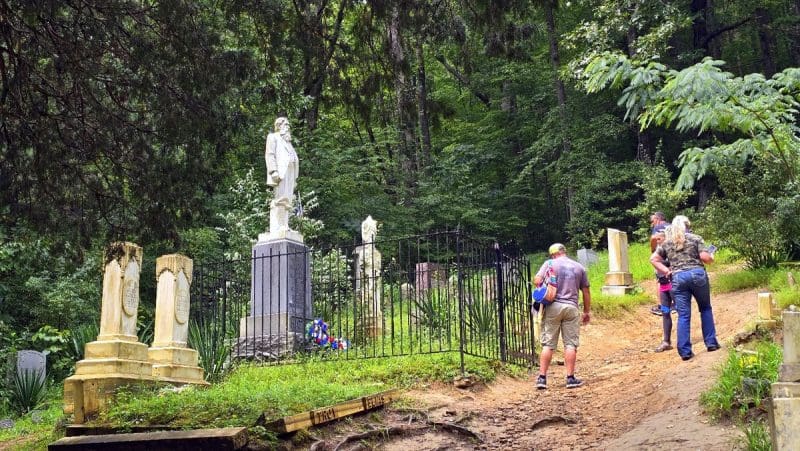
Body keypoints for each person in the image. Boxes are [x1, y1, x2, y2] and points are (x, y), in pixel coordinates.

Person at [650, 216, 721, 361]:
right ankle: (711, 343)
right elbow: (705, 258)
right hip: (697, 274)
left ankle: (685, 352)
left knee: (683, 315)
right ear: (687, 226)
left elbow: (653, 259)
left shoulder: (667, 243)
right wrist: (711, 256)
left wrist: (666, 271)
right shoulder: (695, 238)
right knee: (705, 309)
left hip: (678, 278)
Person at [535, 243, 591, 389]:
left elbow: (538, 281)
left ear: (553, 254)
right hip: (571, 307)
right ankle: (570, 378)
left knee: (548, 344)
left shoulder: (549, 264)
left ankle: (542, 379)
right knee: (570, 344)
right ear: (564, 252)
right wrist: (586, 312)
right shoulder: (579, 267)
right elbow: (586, 291)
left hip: (553, 307)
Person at [265, 117, 299, 238]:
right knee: (280, 198)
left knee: (288, 199)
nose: (288, 127)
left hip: (290, 173)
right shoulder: (273, 137)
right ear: (279, 126)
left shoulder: (288, 142)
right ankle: (279, 226)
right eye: (286, 125)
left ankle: (285, 225)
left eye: (289, 125)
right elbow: (270, 155)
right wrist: (273, 171)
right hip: (280, 173)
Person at [649, 212, 670, 316]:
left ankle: (663, 306)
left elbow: (653, 238)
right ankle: (674, 304)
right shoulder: (671, 226)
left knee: (660, 280)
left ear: (657, 219)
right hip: (673, 254)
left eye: (652, 221)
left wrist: (653, 249)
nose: (652, 223)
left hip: (661, 255)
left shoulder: (658, 227)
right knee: (671, 277)